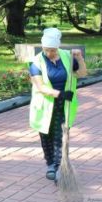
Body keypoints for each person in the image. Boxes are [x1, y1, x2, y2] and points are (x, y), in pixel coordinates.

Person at [29, 28, 87, 181]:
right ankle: (50, 164)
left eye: (53, 50)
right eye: (47, 50)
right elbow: (40, 87)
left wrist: (79, 58)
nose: (50, 53)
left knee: (61, 136)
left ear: (58, 47)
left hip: (64, 105)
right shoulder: (36, 62)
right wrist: (60, 94)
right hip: (45, 105)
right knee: (46, 135)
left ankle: (58, 167)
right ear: (42, 47)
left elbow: (81, 74)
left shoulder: (67, 57)